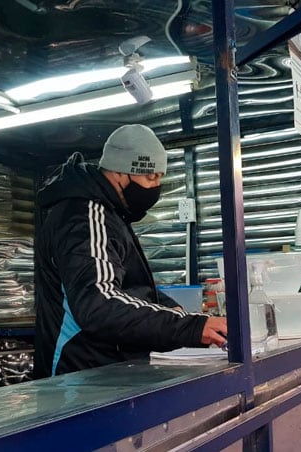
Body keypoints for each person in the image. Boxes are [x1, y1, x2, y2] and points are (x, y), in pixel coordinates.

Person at [32, 124, 227, 378]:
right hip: (78, 376)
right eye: (151, 178)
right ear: (121, 173)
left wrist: (177, 313)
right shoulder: (85, 216)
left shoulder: (110, 214)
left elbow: (128, 287)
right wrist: (188, 327)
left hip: (104, 371)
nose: (157, 187)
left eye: (160, 177)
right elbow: (99, 302)